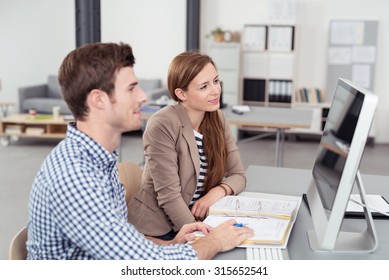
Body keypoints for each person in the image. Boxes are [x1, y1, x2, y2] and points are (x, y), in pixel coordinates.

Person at [26, 42, 252, 260]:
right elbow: (147, 265)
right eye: (132, 88)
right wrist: (214, 241)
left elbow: (126, 247)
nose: (143, 96)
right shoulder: (75, 177)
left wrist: (171, 245)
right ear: (99, 100)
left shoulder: (99, 160)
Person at [128, 51, 246, 240]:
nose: (215, 91)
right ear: (181, 94)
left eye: (216, 81)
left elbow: (238, 175)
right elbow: (169, 196)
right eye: (204, 86)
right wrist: (202, 237)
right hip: (157, 228)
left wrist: (217, 191)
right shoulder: (162, 124)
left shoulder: (218, 118)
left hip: (198, 218)